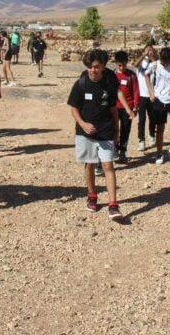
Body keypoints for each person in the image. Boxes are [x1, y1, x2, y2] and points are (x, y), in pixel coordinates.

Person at [67, 49, 124, 220]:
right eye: (90, 67)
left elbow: (113, 108)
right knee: (90, 165)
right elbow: (74, 108)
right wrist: (83, 124)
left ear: (104, 67)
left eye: (96, 67)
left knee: (108, 166)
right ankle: (92, 196)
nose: (93, 70)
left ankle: (113, 204)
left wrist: (117, 130)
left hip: (106, 130)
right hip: (85, 133)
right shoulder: (81, 83)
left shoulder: (110, 82)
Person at [145, 47, 170, 165]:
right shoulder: (155, 65)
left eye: (167, 62)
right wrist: (151, 92)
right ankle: (159, 153)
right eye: (163, 61)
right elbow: (146, 75)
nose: (165, 64)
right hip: (159, 99)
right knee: (160, 128)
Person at [113, 51, 139, 164]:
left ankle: (122, 152)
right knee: (113, 129)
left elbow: (136, 91)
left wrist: (136, 106)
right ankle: (114, 148)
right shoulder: (112, 75)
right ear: (116, 63)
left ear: (127, 62)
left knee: (125, 130)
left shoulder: (131, 76)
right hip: (114, 107)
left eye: (124, 64)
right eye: (119, 65)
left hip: (128, 108)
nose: (122, 67)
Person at [134, 45, 157, 152]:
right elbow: (135, 64)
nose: (149, 51)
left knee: (153, 118)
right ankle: (141, 140)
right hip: (142, 96)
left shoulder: (154, 64)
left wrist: (153, 58)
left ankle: (152, 135)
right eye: (148, 50)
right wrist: (144, 55)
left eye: (151, 50)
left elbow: (157, 68)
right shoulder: (141, 64)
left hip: (152, 95)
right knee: (141, 119)